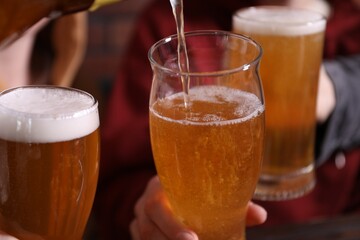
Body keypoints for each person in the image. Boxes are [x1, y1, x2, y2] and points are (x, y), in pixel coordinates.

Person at [94, 0, 360, 239]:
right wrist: (148, 212)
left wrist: (340, 89)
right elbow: (114, 192)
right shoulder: (171, 25)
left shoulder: (353, 26)